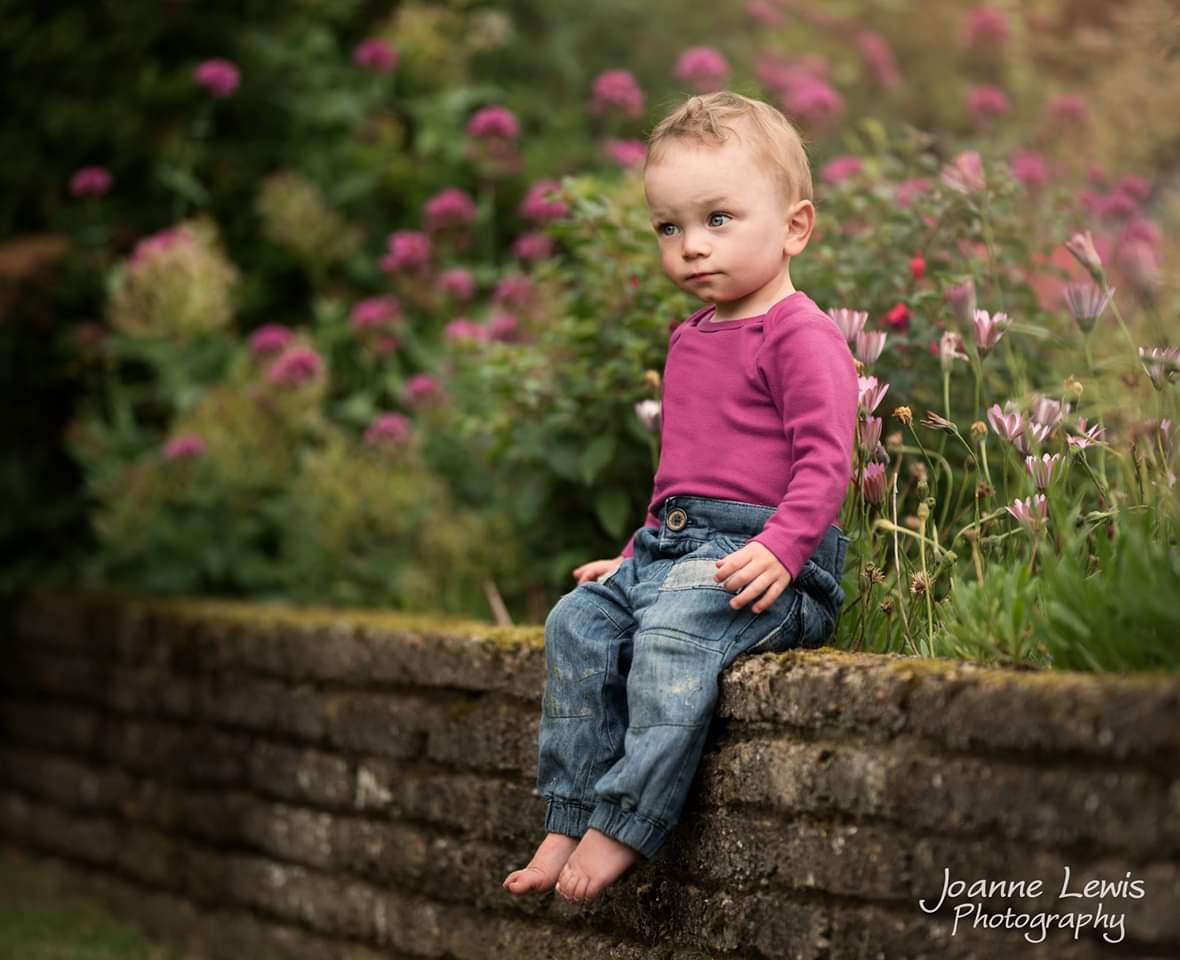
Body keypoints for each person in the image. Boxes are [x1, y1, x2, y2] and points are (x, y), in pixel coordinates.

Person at [502, 90, 858, 904]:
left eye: (719, 219)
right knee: (578, 621)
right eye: (670, 227)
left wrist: (781, 549)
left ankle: (625, 821)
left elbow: (824, 462)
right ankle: (568, 808)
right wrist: (635, 555)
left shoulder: (800, 333)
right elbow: (683, 480)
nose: (692, 247)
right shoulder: (690, 339)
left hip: (767, 567)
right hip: (672, 545)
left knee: (671, 632)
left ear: (795, 226)